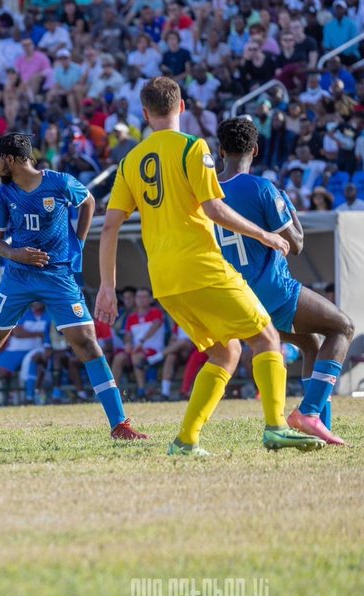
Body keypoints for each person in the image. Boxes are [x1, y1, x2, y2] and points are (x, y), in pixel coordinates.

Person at [96, 77, 321, 456]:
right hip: (201, 266)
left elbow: (111, 226)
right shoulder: (192, 147)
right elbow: (213, 208)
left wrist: (107, 285)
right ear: (181, 107)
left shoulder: (130, 161)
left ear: (146, 113)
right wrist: (265, 235)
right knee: (266, 338)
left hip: (164, 281)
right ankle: (275, 427)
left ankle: (186, 440)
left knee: (225, 352)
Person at [0, 133, 143, 437]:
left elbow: (88, 202)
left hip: (58, 276)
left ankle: (119, 424)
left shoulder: (58, 182)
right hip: (18, 277)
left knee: (86, 343)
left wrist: (78, 243)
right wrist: (15, 253)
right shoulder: (4, 194)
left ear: (13, 159)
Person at [215, 117, 354, 445]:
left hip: (237, 294)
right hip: (272, 288)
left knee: (310, 343)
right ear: (256, 150)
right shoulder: (262, 187)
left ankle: (318, 427)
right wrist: (288, 206)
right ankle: (308, 413)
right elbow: (295, 244)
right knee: (342, 328)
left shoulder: (206, 192)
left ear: (221, 150)